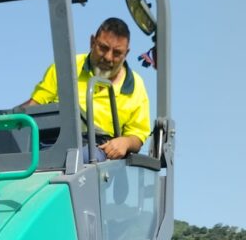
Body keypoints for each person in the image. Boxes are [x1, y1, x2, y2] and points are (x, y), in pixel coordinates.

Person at [23, 19, 151, 160]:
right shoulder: (66, 67)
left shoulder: (136, 86)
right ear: (92, 42)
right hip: (52, 142)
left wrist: (125, 142)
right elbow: (34, 105)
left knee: (79, 159)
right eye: (103, 48)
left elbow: (138, 135)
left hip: (98, 150)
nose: (108, 57)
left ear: (126, 54)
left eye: (117, 53)